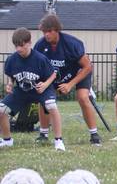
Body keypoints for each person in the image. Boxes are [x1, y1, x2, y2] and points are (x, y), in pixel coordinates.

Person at [34, 13, 101, 145]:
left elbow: (88, 67)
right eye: (44, 32)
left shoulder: (72, 44)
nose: (46, 34)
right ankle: (43, 133)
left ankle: (94, 134)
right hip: (54, 76)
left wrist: (70, 84)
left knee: (82, 97)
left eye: (49, 31)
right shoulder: (40, 45)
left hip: (78, 74)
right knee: (44, 98)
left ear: (57, 30)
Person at [0, 28, 65, 150]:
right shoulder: (11, 59)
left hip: (41, 90)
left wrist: (45, 85)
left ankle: (58, 141)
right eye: (16, 46)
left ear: (29, 43)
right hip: (22, 91)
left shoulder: (40, 59)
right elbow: (11, 75)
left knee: (51, 106)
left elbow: (53, 75)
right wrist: (9, 84)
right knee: (1, 110)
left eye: (22, 45)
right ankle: (7, 140)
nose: (19, 49)